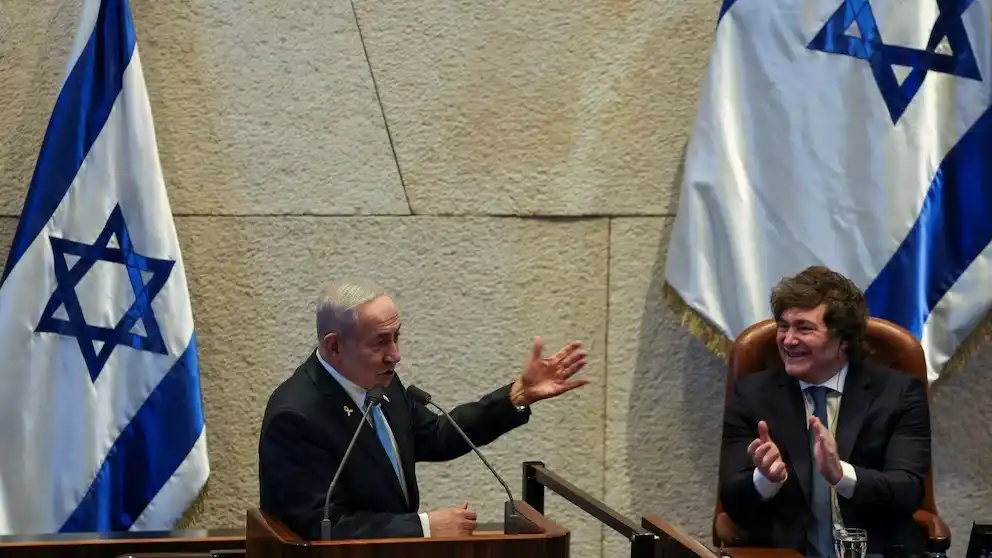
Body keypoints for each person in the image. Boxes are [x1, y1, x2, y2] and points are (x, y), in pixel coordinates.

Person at [258, 279, 588, 540]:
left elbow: (437, 436)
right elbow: (320, 527)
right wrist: (424, 528)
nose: (395, 355)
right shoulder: (296, 416)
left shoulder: (381, 383)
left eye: (396, 338)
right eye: (380, 342)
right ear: (334, 346)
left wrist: (516, 395)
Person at [718, 266, 931, 557]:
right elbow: (731, 501)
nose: (788, 340)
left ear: (843, 339)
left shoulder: (898, 393)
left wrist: (841, 474)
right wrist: (765, 479)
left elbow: (907, 491)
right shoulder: (753, 395)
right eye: (783, 326)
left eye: (804, 328)